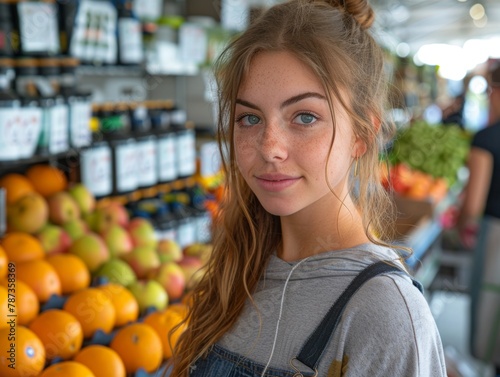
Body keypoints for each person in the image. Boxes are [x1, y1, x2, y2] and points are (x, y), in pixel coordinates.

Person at [168, 1, 446, 376]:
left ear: (362, 134)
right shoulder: (237, 268)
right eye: (249, 118)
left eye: (304, 117)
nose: (269, 147)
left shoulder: (385, 313)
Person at [456, 64, 500, 375]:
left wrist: (461, 226)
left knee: (492, 320)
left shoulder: (487, 139)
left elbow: (472, 205)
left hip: (496, 240)